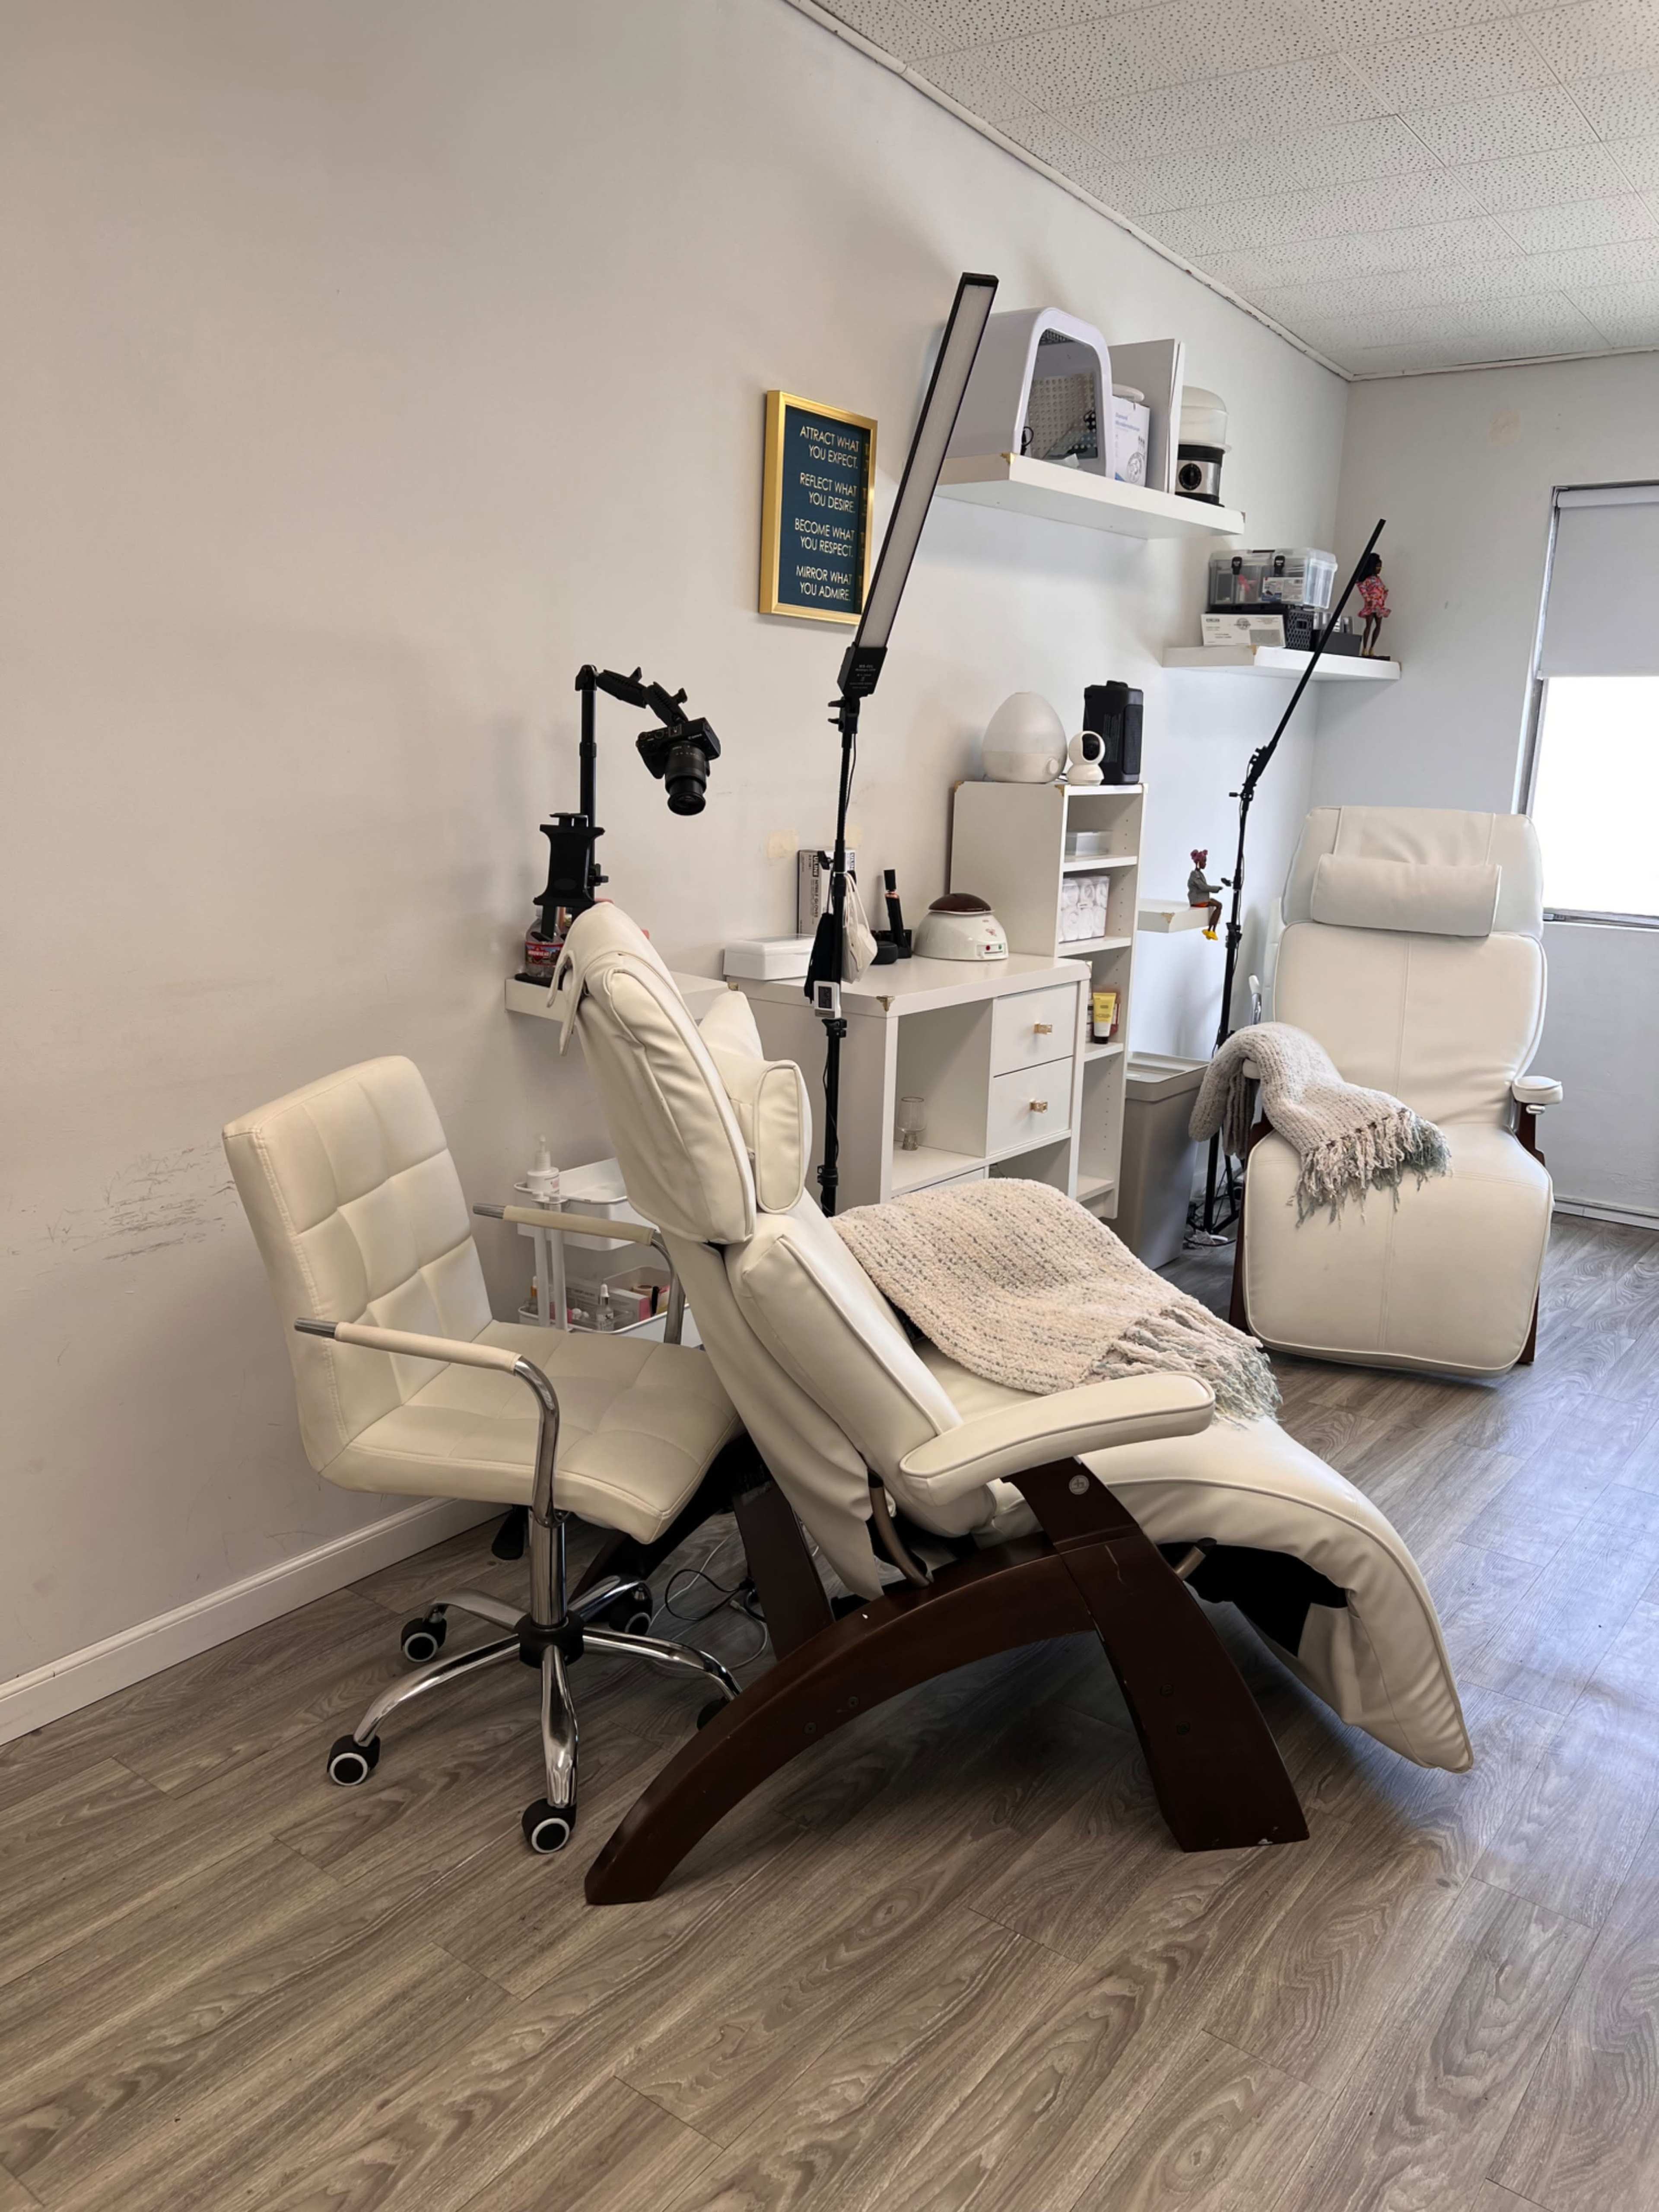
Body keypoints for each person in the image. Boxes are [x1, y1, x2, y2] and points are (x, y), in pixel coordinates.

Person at [1188, 849, 1226, 940]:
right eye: (1204, 861)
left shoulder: (1199, 874)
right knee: (1219, 905)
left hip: (1201, 899)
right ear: (1198, 862)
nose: (1205, 864)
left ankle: (1211, 930)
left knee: (1219, 905)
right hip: (1198, 901)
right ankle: (1211, 930)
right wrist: (1216, 889)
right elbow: (1203, 887)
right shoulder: (1195, 875)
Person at [1357, 553, 1390, 657]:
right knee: (1369, 626)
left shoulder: (1379, 580)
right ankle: (1365, 649)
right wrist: (1368, 599)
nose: (1379, 569)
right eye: (1377, 567)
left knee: (1378, 626)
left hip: (1379, 606)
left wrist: (1384, 596)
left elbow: (1384, 590)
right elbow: (1362, 588)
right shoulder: (1368, 580)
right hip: (1371, 605)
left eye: (1380, 567)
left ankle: (1372, 648)